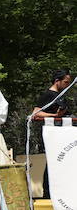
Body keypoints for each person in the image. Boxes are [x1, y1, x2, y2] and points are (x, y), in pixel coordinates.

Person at [31, 69, 73, 198]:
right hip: (53, 134)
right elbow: (36, 113)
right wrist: (54, 115)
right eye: (66, 82)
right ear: (57, 81)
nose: (67, 85)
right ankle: (48, 194)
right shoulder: (48, 95)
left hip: (63, 134)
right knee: (52, 163)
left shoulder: (60, 95)